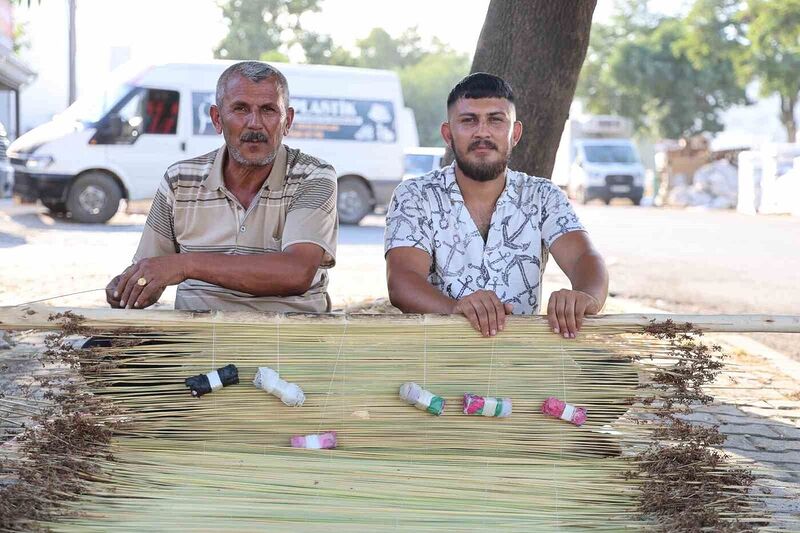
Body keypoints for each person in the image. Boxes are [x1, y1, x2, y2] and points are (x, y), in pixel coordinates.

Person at [384, 73, 608, 338]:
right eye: (468, 121)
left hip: (520, 360)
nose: (482, 132)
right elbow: (401, 281)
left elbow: (585, 257)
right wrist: (456, 309)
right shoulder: (416, 195)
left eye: (496, 120)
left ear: (515, 133)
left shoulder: (543, 195)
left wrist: (585, 297)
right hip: (437, 359)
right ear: (448, 134)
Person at [106, 61, 338, 312]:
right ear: (217, 119)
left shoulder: (312, 176)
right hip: (196, 340)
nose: (255, 123)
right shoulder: (180, 180)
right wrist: (131, 286)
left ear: (287, 121)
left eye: (268, 110)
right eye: (240, 109)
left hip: (289, 341)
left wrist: (186, 265)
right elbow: (153, 272)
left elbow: (296, 273)